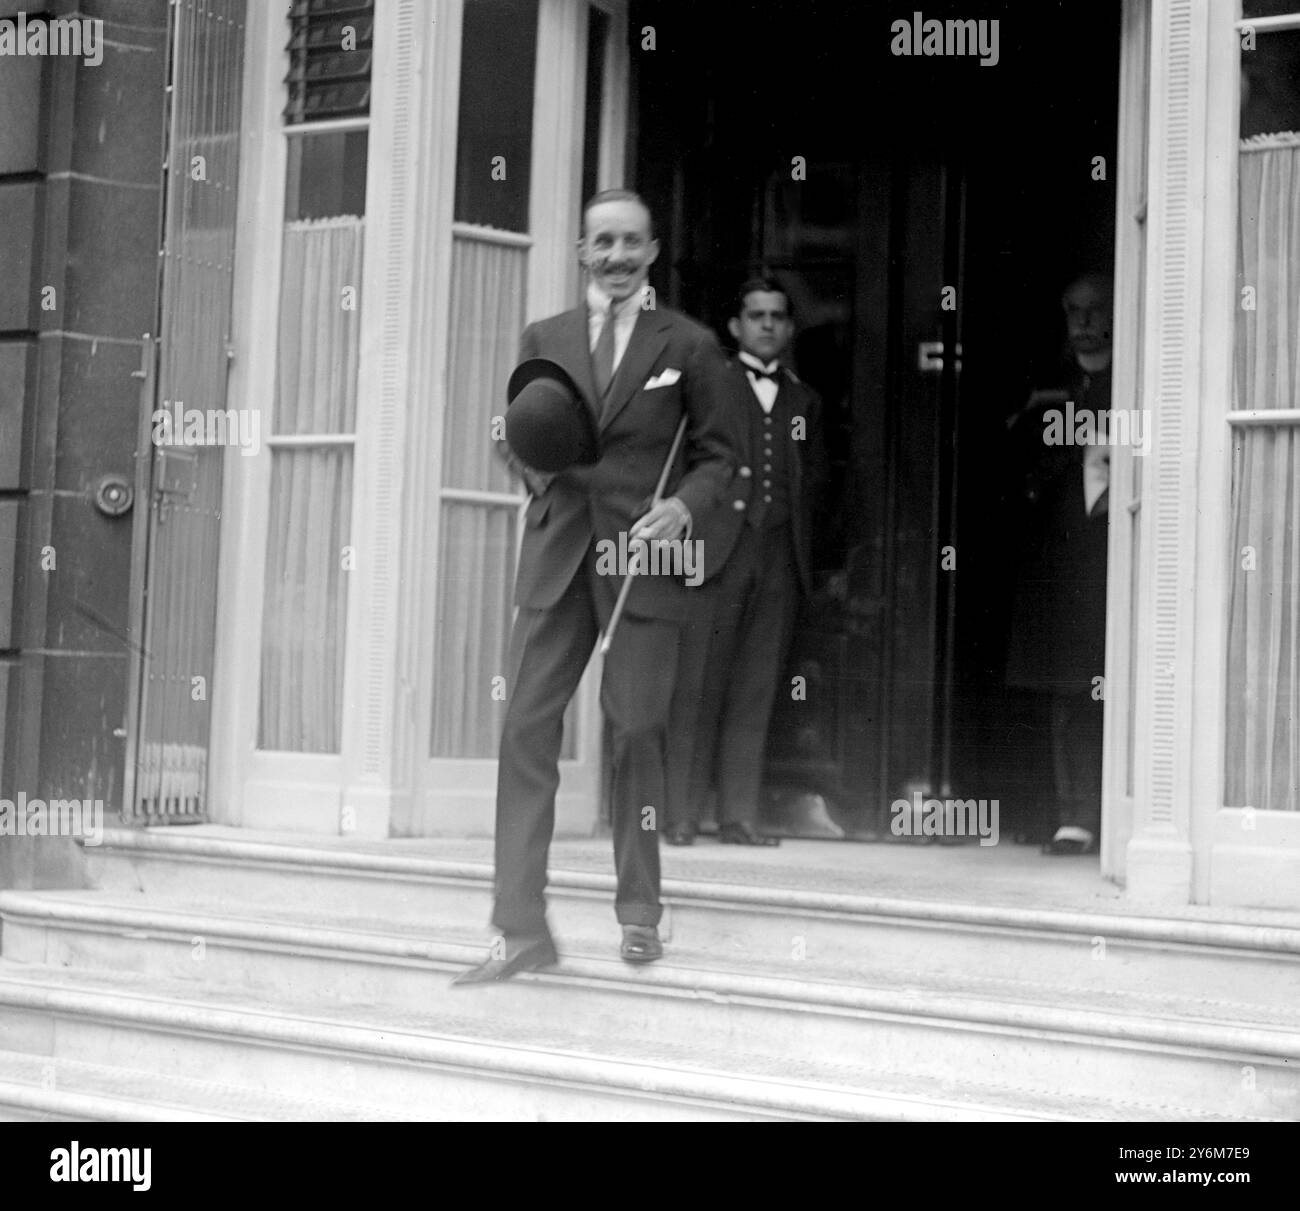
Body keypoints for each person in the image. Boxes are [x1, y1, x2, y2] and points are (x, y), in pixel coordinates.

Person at [454, 190, 734, 984]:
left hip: (642, 564)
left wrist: (682, 506)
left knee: (638, 729)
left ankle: (640, 910)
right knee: (524, 729)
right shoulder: (543, 338)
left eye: (631, 243)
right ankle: (519, 927)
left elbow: (723, 456)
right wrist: (527, 469)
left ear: (652, 252)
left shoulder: (691, 344)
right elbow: (525, 440)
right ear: (582, 251)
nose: (616, 256)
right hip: (557, 559)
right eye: (602, 242)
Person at [664, 278, 827, 847]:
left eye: (777, 316)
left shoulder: (806, 400)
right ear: (735, 326)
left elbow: (817, 483)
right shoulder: (711, 384)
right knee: (698, 684)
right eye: (755, 315)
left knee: (755, 687)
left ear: (788, 327)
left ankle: (737, 816)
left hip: (778, 555)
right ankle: (681, 814)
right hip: (715, 552)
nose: (766, 325)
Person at [1005, 272, 1113, 856]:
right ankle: (1074, 814)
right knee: (1068, 685)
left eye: (1096, 310)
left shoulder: (1144, 376)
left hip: (1122, 552)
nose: (1084, 323)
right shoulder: (1050, 384)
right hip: (1063, 556)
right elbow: (1019, 472)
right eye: (1073, 311)